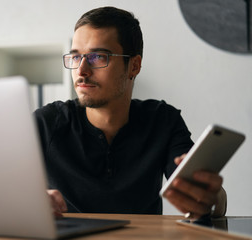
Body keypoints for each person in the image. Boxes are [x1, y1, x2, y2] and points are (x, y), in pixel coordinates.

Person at [34, 6, 227, 219]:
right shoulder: (46, 122)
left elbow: (201, 193)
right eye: (75, 57)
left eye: (98, 57)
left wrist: (212, 197)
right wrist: (30, 200)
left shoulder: (163, 120)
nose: (81, 70)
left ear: (134, 66)